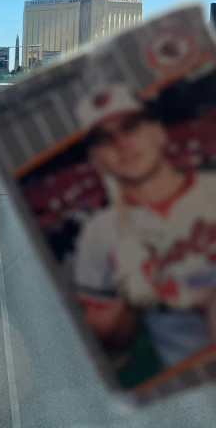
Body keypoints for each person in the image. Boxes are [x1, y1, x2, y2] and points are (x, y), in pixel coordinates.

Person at [73, 83, 216, 369]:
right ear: (96, 160)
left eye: (130, 126)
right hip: (192, 380)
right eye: (103, 139)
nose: (121, 144)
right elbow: (106, 342)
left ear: (158, 131)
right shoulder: (99, 234)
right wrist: (129, 303)